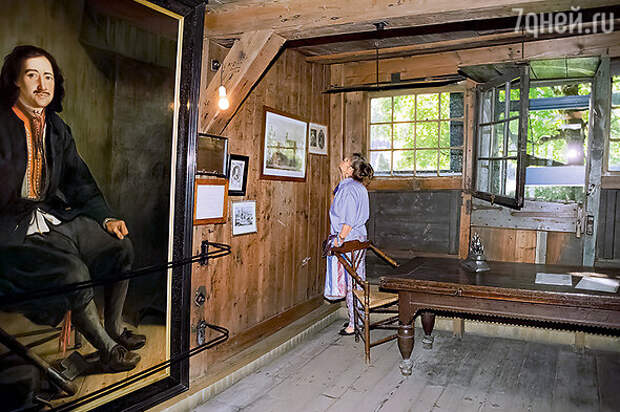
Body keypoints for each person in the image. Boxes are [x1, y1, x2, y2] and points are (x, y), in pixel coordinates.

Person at [0, 45, 145, 372]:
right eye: (32, 75)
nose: (42, 85)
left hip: (49, 218)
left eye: (48, 76)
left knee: (120, 246)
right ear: (15, 81)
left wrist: (106, 218)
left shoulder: (56, 127)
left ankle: (115, 327)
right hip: (8, 235)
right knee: (73, 274)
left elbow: (79, 181)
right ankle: (109, 351)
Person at [328, 153, 374, 335]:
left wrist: (339, 239)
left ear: (350, 169)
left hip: (349, 240)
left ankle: (354, 324)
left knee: (352, 282)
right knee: (357, 279)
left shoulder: (347, 189)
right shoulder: (359, 187)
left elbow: (348, 220)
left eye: (346, 160)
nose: (343, 160)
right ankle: (358, 318)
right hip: (359, 238)